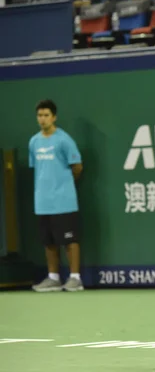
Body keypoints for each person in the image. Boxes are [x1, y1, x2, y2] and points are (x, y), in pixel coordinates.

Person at [29, 99, 84, 292]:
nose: (42, 119)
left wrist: (63, 186)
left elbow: (77, 167)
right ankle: (53, 278)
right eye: (39, 115)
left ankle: (75, 278)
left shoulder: (64, 140)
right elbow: (37, 168)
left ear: (54, 117)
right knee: (49, 242)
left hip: (64, 201)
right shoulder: (34, 142)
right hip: (43, 202)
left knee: (69, 240)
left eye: (46, 115)